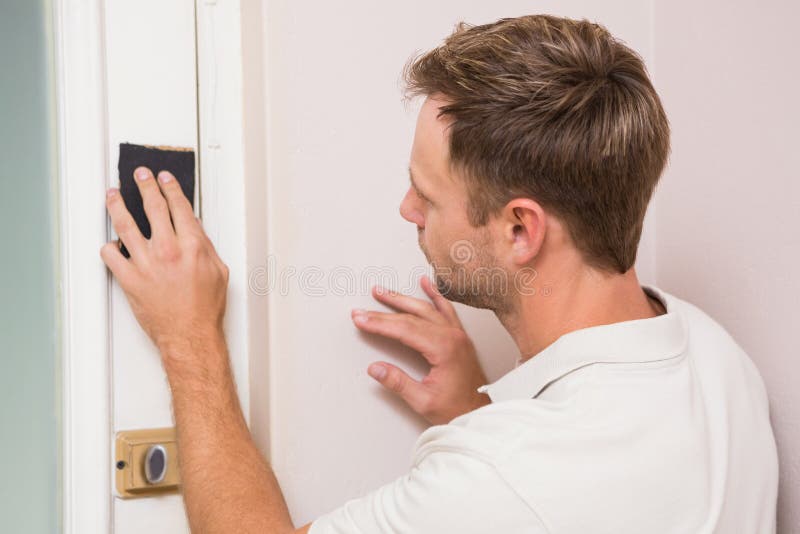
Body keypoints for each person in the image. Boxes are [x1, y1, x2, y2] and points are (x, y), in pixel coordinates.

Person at [100, 13, 778, 534]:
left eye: (425, 194)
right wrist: (476, 410)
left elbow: (527, 488)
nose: (407, 210)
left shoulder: (501, 475)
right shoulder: (717, 360)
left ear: (520, 229)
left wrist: (188, 338)